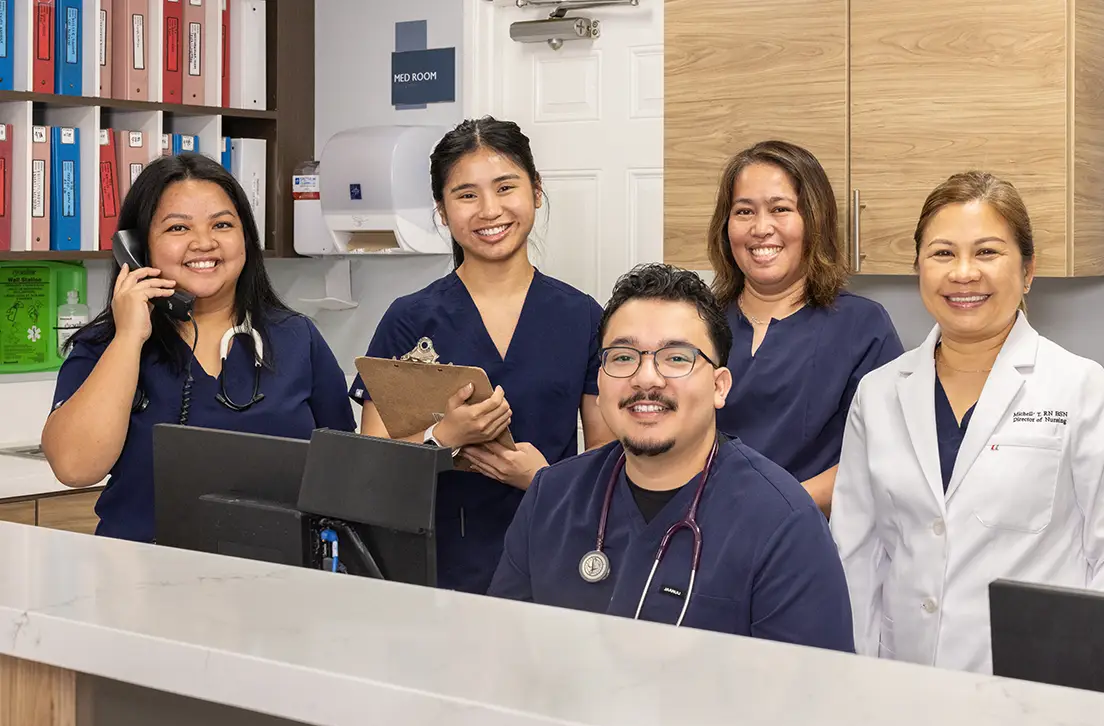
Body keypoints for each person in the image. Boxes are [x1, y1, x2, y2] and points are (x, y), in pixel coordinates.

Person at [830, 171, 1104, 674]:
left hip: (1038, 689)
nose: (964, 273)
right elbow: (857, 553)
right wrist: (857, 678)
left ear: (1027, 271)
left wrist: (1094, 685)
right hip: (903, 686)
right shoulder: (877, 394)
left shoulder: (1077, 388)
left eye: (987, 252)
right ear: (918, 265)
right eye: (943, 253)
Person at [489, 263, 854, 650]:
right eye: (623, 357)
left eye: (677, 358)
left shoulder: (782, 522)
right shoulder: (551, 497)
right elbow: (502, 655)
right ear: (600, 380)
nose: (646, 378)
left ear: (719, 386)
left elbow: (814, 698)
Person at [352, 117, 613, 594]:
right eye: (466, 195)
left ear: (536, 191)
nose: (489, 210)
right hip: (434, 566)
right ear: (441, 210)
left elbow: (606, 457)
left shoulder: (583, 317)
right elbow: (370, 465)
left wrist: (543, 480)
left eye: (506, 187)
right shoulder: (410, 320)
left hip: (550, 554)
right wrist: (442, 436)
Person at [42, 153, 355, 542]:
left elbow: (344, 471)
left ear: (246, 239)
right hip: (138, 585)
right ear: (138, 247)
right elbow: (74, 467)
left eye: (222, 224)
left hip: (276, 584)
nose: (204, 243)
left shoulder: (297, 338)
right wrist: (128, 339)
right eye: (177, 228)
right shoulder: (105, 345)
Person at [707, 141, 903, 516]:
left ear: (814, 219)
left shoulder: (862, 327)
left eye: (780, 209)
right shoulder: (700, 322)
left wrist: (778, 508)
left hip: (806, 534)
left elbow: (882, 453)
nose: (761, 228)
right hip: (703, 531)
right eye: (744, 211)